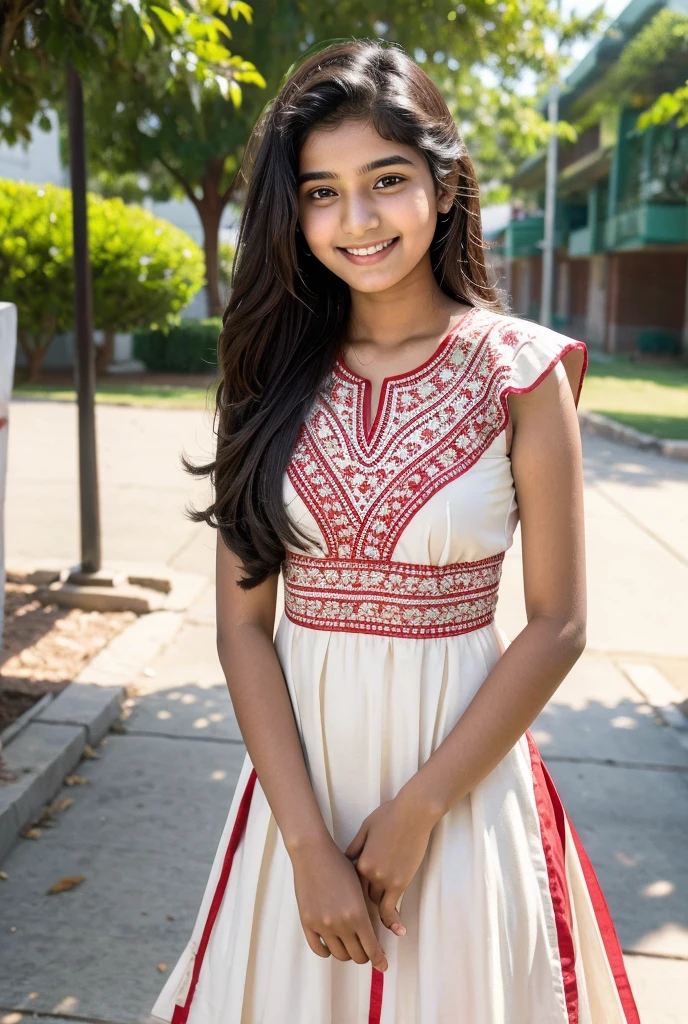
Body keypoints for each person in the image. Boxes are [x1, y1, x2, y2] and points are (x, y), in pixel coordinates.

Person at [149, 39, 640, 1024]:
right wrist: (304, 846)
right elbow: (243, 625)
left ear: (445, 183)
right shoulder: (268, 371)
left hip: (458, 790)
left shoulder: (523, 373)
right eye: (321, 192)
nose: (356, 219)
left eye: (385, 181)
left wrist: (417, 813)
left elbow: (557, 623)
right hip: (299, 797)